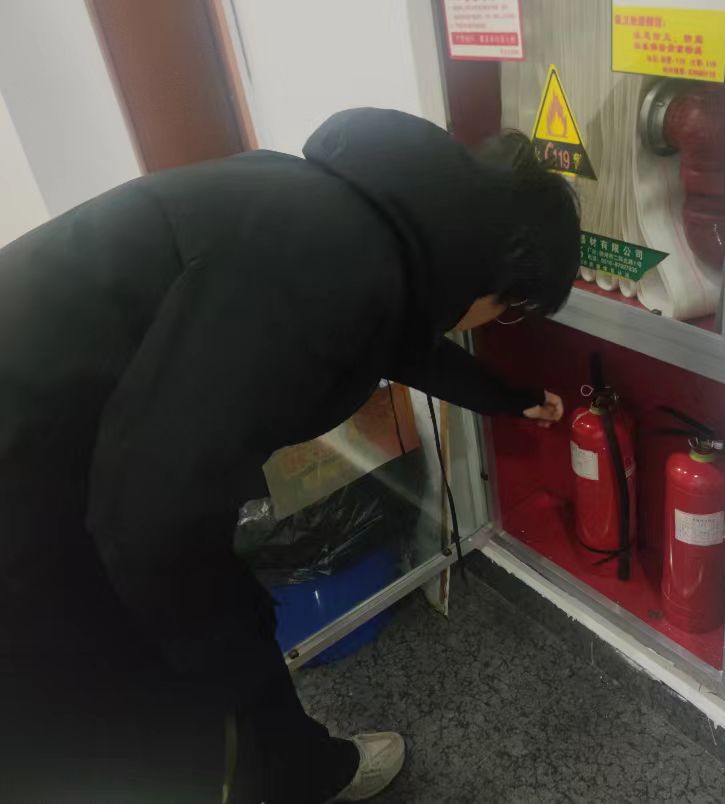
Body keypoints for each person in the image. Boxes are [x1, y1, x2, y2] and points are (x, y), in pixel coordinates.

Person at [0, 108, 580, 802]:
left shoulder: (346, 217)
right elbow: (149, 513)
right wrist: (225, 633)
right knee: (147, 695)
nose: (496, 321)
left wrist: (508, 397)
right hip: (31, 475)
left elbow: (400, 340)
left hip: (63, 443)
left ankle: (300, 771)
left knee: (197, 644)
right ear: (496, 281)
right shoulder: (330, 268)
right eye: (510, 310)